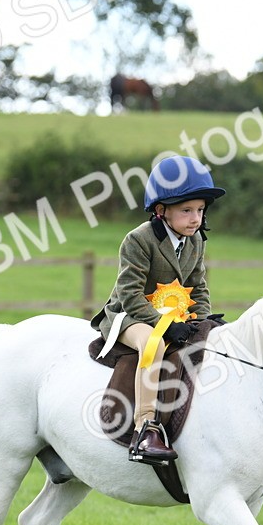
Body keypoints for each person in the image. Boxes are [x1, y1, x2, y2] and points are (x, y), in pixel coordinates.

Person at [91, 155, 226, 465]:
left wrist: (202, 318)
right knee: (154, 343)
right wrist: (164, 326)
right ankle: (145, 428)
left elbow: (198, 286)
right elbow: (129, 295)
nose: (196, 218)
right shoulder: (138, 240)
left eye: (200, 210)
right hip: (130, 316)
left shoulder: (195, 241)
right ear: (161, 210)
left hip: (171, 315)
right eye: (187, 211)